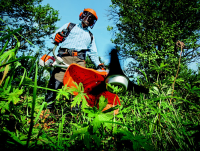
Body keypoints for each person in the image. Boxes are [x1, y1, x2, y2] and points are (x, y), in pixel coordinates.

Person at [45, 8, 106, 111]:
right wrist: (57, 37)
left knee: (79, 88)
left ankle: (74, 114)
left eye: (91, 19)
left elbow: (93, 53)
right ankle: (47, 110)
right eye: (86, 16)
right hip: (64, 57)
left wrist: (99, 65)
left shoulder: (90, 36)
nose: (88, 19)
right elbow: (53, 37)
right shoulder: (70, 26)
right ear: (82, 15)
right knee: (56, 82)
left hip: (79, 61)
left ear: (92, 22)